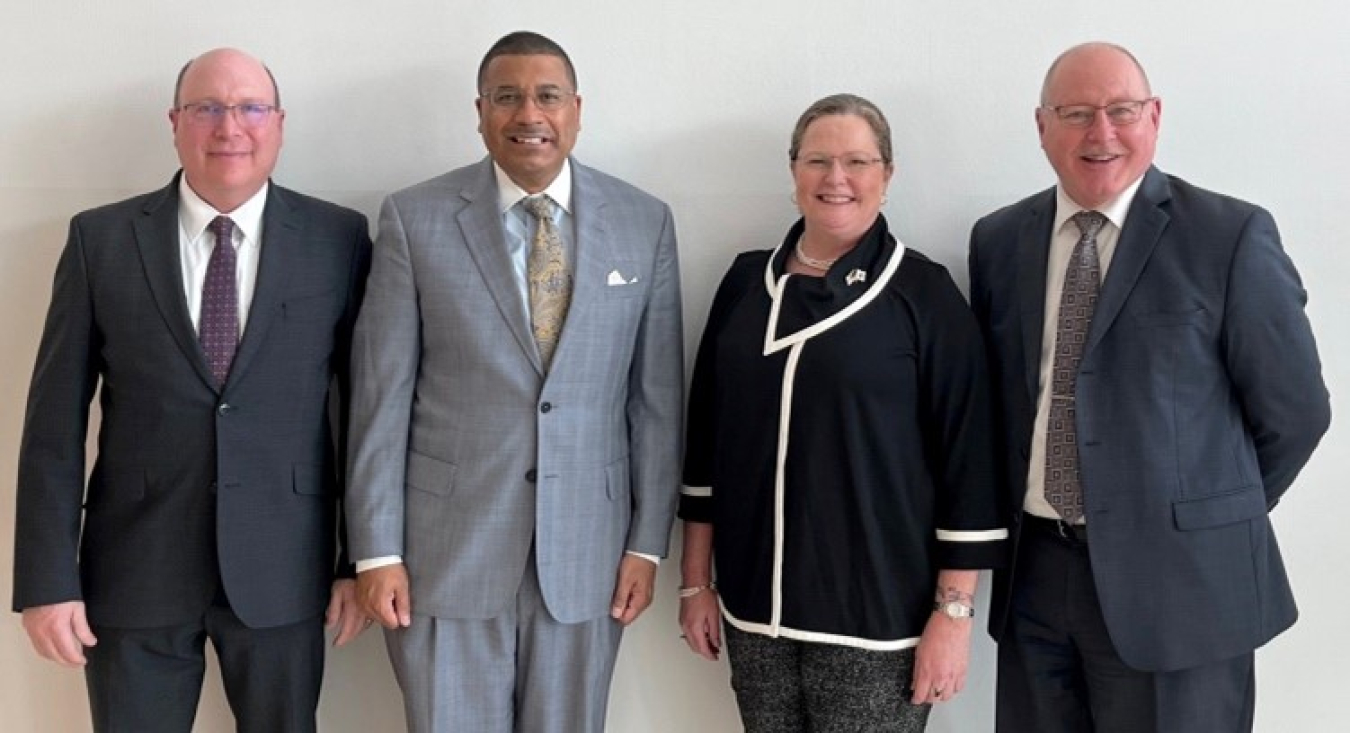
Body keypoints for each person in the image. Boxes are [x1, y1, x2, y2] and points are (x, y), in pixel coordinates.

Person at [968, 42, 1331, 732]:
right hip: (1036, 579)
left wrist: (1205, 514)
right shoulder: (999, 240)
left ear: (1154, 117)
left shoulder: (1229, 235)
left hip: (1184, 587)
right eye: (1075, 113)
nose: (1100, 133)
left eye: (1121, 110)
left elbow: (1297, 413)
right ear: (1041, 126)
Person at [12, 48, 373, 732]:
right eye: (207, 107)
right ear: (175, 122)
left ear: (280, 123)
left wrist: (359, 559)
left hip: (285, 571)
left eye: (250, 107)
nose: (228, 126)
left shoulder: (338, 239)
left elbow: (362, 414)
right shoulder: (102, 240)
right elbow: (53, 427)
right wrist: (47, 580)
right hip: (134, 572)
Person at [345, 30, 684, 733]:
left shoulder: (644, 222)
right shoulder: (414, 219)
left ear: (577, 110)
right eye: (507, 97)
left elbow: (654, 403)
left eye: (547, 95)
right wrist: (376, 549)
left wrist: (646, 543)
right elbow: (381, 397)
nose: (529, 113)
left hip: (589, 555)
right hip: (445, 552)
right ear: (479, 112)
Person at [678, 93, 1006, 732]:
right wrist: (696, 582)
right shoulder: (745, 284)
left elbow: (969, 465)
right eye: (818, 160)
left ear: (887, 174)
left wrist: (954, 616)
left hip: (877, 623)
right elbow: (706, 446)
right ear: (794, 170)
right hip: (754, 613)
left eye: (857, 161)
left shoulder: (923, 294)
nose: (836, 178)